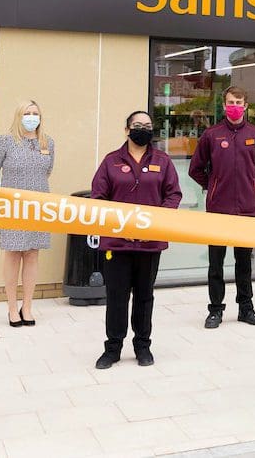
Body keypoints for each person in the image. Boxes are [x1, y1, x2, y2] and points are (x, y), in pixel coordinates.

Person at [90, 111, 182, 369]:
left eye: (148, 126)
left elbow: (173, 194)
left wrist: (152, 223)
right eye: (137, 125)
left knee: (144, 295)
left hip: (149, 242)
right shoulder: (111, 161)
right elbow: (98, 197)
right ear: (127, 129)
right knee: (117, 296)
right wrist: (120, 226)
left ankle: (143, 346)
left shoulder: (162, 161)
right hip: (117, 243)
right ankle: (112, 348)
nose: (143, 129)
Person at [189, 86, 255, 329]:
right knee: (216, 264)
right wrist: (214, 185)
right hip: (218, 210)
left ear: (246, 106)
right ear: (224, 105)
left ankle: (246, 308)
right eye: (229, 102)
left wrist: (250, 185)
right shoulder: (211, 135)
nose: (233, 105)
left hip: (247, 210)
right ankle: (215, 310)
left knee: (243, 263)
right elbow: (196, 169)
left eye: (238, 101)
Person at [0, 100, 54, 327]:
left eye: (35, 113)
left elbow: (47, 171)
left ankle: (27, 306)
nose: (32, 117)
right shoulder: (5, 141)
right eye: (27, 113)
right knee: (13, 254)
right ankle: (12, 307)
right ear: (18, 116)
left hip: (38, 206)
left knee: (32, 254)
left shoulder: (47, 142)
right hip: (12, 207)